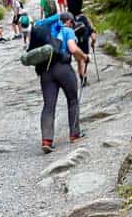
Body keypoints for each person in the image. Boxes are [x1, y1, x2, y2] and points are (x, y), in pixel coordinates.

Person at [27, 11, 88, 153]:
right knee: (72, 100)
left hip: (45, 71)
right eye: (72, 23)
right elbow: (73, 49)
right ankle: (74, 134)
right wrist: (84, 56)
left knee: (49, 105)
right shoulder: (66, 30)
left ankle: (46, 140)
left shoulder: (44, 32)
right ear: (69, 22)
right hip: (63, 68)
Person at [73, 11, 97, 85]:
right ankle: (84, 78)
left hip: (75, 42)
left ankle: (82, 77)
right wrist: (92, 43)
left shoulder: (71, 20)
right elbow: (93, 37)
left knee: (79, 61)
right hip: (84, 42)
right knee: (84, 59)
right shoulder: (86, 20)